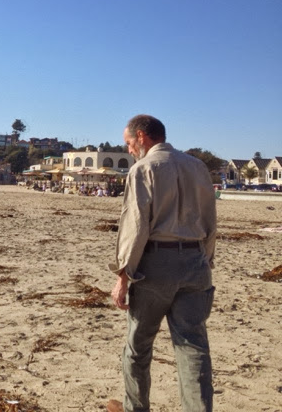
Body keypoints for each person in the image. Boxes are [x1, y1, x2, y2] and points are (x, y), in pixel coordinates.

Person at [107, 115, 217, 412]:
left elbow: (136, 227)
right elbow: (210, 220)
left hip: (155, 263)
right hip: (195, 260)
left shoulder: (143, 169)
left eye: (128, 143)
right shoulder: (197, 166)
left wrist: (123, 276)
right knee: (193, 347)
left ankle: (136, 408)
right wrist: (205, 259)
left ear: (141, 137)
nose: (129, 150)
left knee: (138, 347)